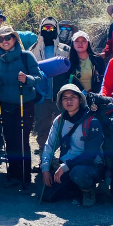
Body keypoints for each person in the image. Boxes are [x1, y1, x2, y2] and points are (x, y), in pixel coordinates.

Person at [0, 25, 43, 191]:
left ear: (14, 38)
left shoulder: (26, 56)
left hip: (24, 104)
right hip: (5, 104)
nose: (4, 41)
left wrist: (27, 79)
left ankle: (25, 178)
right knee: (9, 140)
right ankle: (13, 175)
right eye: (1, 39)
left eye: (8, 38)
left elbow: (39, 77)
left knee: (22, 140)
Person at [40, 84, 105, 207]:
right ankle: (75, 189)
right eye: (65, 98)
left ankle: (88, 191)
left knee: (78, 173)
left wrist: (66, 166)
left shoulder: (92, 122)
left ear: (80, 100)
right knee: (47, 197)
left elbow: (90, 155)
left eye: (73, 97)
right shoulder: (59, 121)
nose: (69, 101)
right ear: (61, 101)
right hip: (66, 166)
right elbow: (49, 146)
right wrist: (45, 170)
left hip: (89, 166)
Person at [30, 17, 71, 156]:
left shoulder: (66, 49)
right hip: (41, 96)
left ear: (56, 30)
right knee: (43, 126)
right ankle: (44, 155)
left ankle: (62, 156)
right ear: (40, 30)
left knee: (62, 126)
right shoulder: (32, 50)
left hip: (59, 95)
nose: (48, 31)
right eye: (45, 28)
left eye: (51, 28)